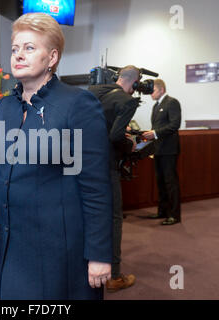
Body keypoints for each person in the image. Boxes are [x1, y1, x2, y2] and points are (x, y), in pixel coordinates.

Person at [0, 12, 113, 300]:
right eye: (15, 49)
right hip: (13, 240)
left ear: (51, 58)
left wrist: (100, 254)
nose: (18, 56)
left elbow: (96, 187)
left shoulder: (78, 104)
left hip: (60, 245)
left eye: (29, 48)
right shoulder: (5, 108)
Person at [88, 66, 139, 292]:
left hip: (84, 164)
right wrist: (131, 144)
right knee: (114, 218)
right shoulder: (127, 102)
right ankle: (114, 276)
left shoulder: (94, 91)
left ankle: (88, 266)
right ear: (134, 83)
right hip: (107, 167)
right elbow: (116, 136)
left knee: (89, 216)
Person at [142, 79, 182, 225]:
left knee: (170, 182)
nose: (150, 94)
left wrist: (155, 133)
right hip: (158, 149)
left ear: (161, 90)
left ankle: (174, 215)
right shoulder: (156, 106)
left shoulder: (172, 102)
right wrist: (153, 136)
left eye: (152, 91)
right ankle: (162, 211)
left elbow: (174, 125)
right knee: (160, 182)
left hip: (169, 149)